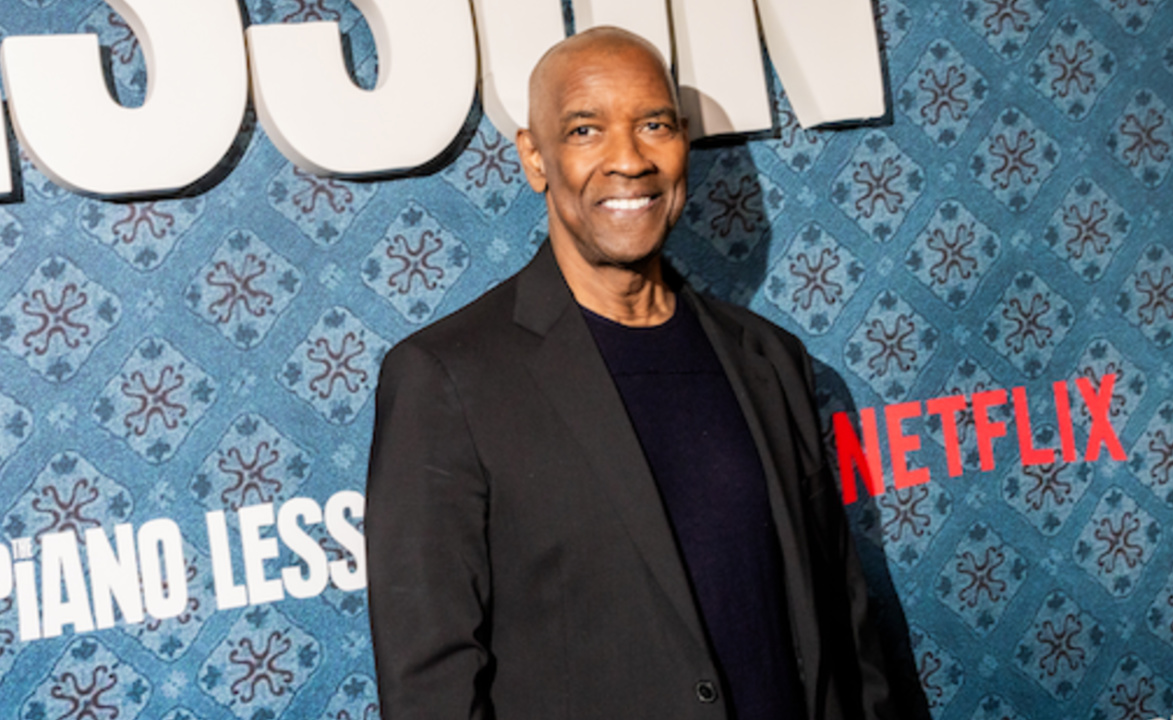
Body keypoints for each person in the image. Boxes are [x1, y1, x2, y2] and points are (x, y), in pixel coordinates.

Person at [364, 26, 892, 720]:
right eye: (585, 130)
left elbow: (846, 630)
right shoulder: (447, 377)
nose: (629, 160)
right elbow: (430, 689)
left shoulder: (768, 359)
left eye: (654, 125)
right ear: (534, 157)